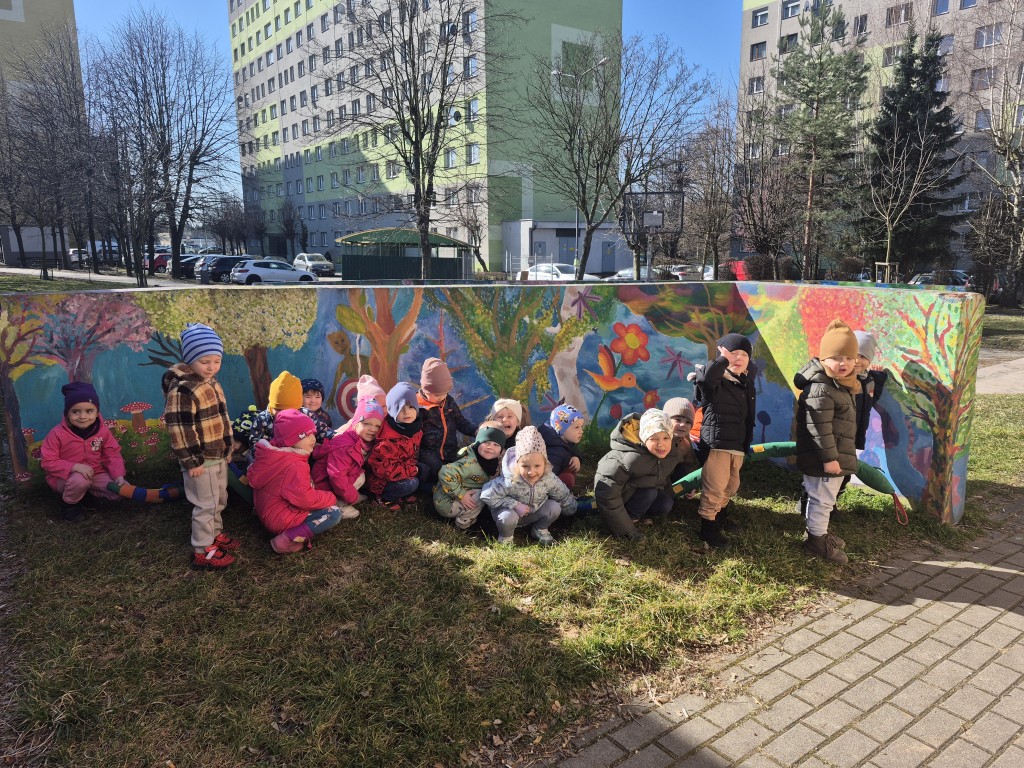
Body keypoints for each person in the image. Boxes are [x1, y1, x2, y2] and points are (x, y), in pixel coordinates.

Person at [162, 323, 238, 570]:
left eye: (216, 361)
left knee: (219, 498)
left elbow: (221, 418)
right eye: (204, 361)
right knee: (205, 503)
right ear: (190, 359)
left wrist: (227, 449)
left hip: (217, 455)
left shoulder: (211, 382)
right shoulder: (182, 389)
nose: (211, 366)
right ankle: (202, 549)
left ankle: (214, 535)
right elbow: (180, 428)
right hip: (200, 460)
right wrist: (192, 460)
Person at [794, 319, 861, 564]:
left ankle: (818, 532)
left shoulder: (838, 385)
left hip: (832, 457)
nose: (843, 363)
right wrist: (830, 459)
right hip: (823, 458)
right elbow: (819, 430)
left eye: (849, 358)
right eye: (836, 358)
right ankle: (816, 541)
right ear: (823, 359)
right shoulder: (821, 388)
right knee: (822, 500)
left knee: (826, 499)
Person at [248, 409, 346, 554]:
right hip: (281, 519)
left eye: (313, 433)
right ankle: (287, 540)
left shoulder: (273, 454)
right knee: (333, 514)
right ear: (291, 440)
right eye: (306, 435)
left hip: (268, 512)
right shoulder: (294, 465)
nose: (313, 439)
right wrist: (330, 498)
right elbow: (305, 499)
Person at [694, 333, 758, 549]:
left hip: (737, 445)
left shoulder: (745, 383)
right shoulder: (715, 380)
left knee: (731, 486)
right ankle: (708, 528)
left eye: (743, 355)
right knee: (715, 488)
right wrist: (722, 360)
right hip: (718, 444)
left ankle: (719, 517)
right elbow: (705, 379)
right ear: (722, 355)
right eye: (732, 353)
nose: (738, 358)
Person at [594, 409, 689, 541]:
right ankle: (630, 518)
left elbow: (663, 476)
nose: (661, 444)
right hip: (622, 499)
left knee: (665, 503)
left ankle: (640, 514)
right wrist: (627, 531)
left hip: (642, 494)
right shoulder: (627, 459)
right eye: (653, 438)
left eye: (666, 437)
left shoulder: (669, 452)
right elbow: (607, 494)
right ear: (644, 438)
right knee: (649, 493)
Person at [40, 382, 127, 522]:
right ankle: (68, 505)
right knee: (80, 481)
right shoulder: (57, 434)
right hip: (66, 478)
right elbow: (47, 462)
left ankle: (86, 495)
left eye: (89, 411)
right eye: (75, 412)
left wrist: (118, 475)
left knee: (122, 490)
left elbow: (112, 453)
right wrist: (75, 467)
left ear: (97, 412)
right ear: (67, 413)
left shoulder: (103, 432)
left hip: (95, 474)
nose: (82, 416)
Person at [480, 426, 576, 546]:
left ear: (545, 463)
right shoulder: (510, 479)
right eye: (525, 466)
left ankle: (539, 529)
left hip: (533, 512)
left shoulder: (548, 478)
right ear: (517, 464)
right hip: (512, 514)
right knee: (506, 517)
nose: (531, 472)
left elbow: (562, 493)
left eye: (537, 466)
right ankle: (506, 536)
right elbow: (487, 495)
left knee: (554, 507)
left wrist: (573, 510)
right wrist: (514, 505)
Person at [312, 397, 385, 517]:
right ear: (355, 423)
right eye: (366, 423)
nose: (372, 429)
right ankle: (336, 504)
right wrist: (353, 497)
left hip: (337, 480)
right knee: (359, 478)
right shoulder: (345, 447)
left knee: (360, 475)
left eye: (377, 426)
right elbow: (337, 476)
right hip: (324, 485)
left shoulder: (364, 442)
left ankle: (344, 497)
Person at [234, 371, 333, 453]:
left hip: (303, 459)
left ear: (298, 408)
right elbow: (254, 443)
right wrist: (272, 451)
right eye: (279, 409)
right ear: (272, 406)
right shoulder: (263, 419)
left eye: (291, 411)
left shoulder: (306, 415)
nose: (284, 414)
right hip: (274, 460)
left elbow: (322, 431)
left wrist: (336, 438)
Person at [417, 357, 476, 488]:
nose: (441, 398)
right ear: (425, 389)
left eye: (444, 393)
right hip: (428, 453)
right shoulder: (418, 407)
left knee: (463, 465)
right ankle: (429, 487)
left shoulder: (448, 401)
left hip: (450, 451)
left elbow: (460, 421)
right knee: (436, 468)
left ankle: (447, 484)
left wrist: (476, 431)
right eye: (436, 395)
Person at [434, 423, 506, 531]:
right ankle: (463, 524)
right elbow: (445, 472)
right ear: (478, 442)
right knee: (484, 494)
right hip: (447, 502)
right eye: (486, 442)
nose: (490, 447)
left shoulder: (486, 460)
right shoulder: (471, 463)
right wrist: (461, 494)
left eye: (496, 444)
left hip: (452, 496)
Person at [366, 383, 423, 509]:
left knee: (421, 476)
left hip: (402, 471)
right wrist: (414, 470)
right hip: (381, 482)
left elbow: (413, 454)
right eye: (400, 407)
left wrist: (413, 468)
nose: (406, 412)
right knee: (412, 483)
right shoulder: (387, 440)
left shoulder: (415, 428)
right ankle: (383, 498)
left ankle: (401, 493)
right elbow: (385, 470)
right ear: (392, 410)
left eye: (411, 406)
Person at [538, 404, 585, 490]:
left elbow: (572, 448)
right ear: (561, 429)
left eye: (581, 427)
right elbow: (548, 477)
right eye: (576, 427)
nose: (581, 431)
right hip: (548, 486)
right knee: (568, 479)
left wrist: (576, 457)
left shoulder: (564, 439)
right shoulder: (555, 451)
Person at [662, 397, 698, 487]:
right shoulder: (657, 441)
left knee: (684, 469)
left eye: (688, 422)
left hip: (670, 481)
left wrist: (691, 485)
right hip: (653, 481)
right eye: (678, 420)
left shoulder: (685, 444)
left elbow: (690, 464)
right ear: (666, 420)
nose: (683, 425)